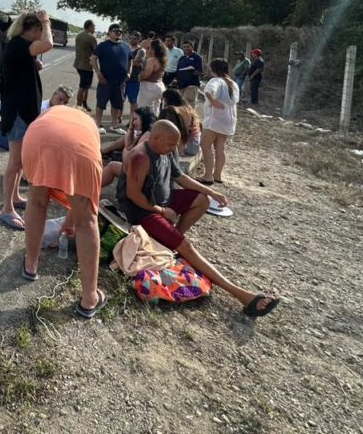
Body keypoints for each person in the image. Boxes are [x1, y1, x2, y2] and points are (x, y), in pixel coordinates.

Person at [118, 120, 281, 318]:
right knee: (187, 247)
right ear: (156, 138)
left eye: (174, 145)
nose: (173, 148)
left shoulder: (166, 151)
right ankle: (243, 296)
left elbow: (180, 177)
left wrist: (210, 191)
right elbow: (133, 195)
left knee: (201, 200)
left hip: (164, 200)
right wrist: (161, 211)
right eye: (170, 144)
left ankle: (170, 240)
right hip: (143, 210)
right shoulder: (140, 158)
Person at [21, 105, 105, 318]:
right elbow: (80, 199)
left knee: (37, 202)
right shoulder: (89, 126)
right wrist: (75, 220)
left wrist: (68, 221)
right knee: (87, 222)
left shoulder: (55, 111)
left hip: (37, 138)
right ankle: (89, 298)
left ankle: (30, 265)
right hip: (80, 149)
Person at [0, 10, 53, 231]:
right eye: (40, 30)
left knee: (20, 161)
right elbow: (48, 44)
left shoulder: (20, 47)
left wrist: (33, 65)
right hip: (19, 112)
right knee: (14, 163)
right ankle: (6, 209)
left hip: (24, 111)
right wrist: (46, 21)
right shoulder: (20, 45)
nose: (42, 35)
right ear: (34, 30)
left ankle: (16, 197)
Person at [200, 58, 240, 185]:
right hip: (228, 120)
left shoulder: (215, 80)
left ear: (213, 69)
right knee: (220, 147)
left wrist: (213, 102)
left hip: (215, 119)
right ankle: (217, 175)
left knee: (205, 146)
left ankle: (207, 176)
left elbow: (208, 91)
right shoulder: (233, 83)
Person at [90, 23, 130, 135]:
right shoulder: (103, 45)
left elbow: (130, 59)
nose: (118, 33)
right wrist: (98, 73)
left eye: (120, 31)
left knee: (117, 105)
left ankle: (114, 125)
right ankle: (98, 124)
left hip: (120, 82)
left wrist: (129, 72)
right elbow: (93, 59)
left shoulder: (126, 47)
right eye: (115, 31)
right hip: (105, 81)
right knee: (101, 104)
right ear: (109, 32)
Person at [136, 36, 167, 115]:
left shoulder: (152, 60)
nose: (148, 49)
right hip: (160, 86)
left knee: (144, 110)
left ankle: (146, 127)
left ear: (154, 49)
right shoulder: (163, 59)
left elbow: (146, 74)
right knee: (156, 110)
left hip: (149, 87)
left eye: (149, 47)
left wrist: (139, 77)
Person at [73, 20, 98, 111]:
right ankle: (79, 107)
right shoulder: (91, 37)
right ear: (90, 26)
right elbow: (96, 51)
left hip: (78, 64)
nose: (94, 28)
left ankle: (84, 104)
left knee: (86, 86)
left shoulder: (79, 35)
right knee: (83, 87)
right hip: (86, 66)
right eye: (93, 27)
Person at [175, 40, 204, 106]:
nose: (186, 48)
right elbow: (178, 71)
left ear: (192, 47)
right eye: (184, 47)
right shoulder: (182, 58)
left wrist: (190, 73)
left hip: (191, 85)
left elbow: (200, 71)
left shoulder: (197, 57)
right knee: (180, 105)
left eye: (188, 47)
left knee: (188, 104)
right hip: (181, 85)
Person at [125, 31, 145, 116]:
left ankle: (132, 119)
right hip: (123, 78)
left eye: (135, 38)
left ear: (139, 39)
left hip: (134, 79)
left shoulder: (141, 50)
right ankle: (118, 118)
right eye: (131, 38)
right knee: (119, 99)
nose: (132, 40)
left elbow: (136, 62)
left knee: (133, 101)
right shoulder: (125, 48)